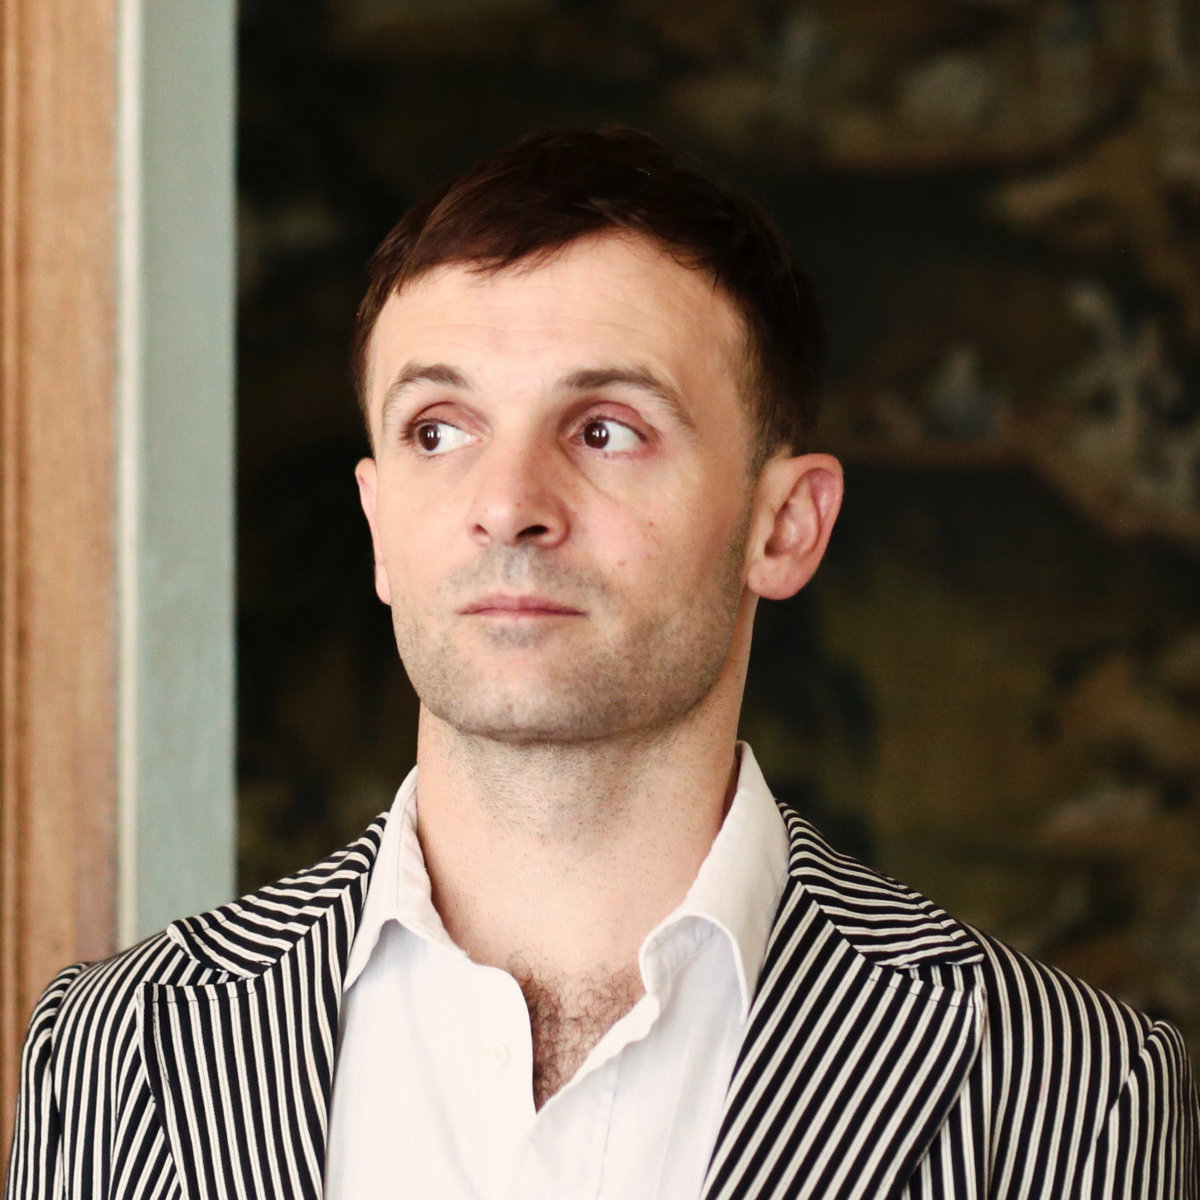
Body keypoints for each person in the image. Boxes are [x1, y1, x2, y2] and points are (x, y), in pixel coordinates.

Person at [5, 128, 1198, 1200]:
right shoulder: (117, 1053)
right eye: (438, 430)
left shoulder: (1074, 1092)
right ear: (376, 525)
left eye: (606, 429)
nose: (508, 502)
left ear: (785, 526)